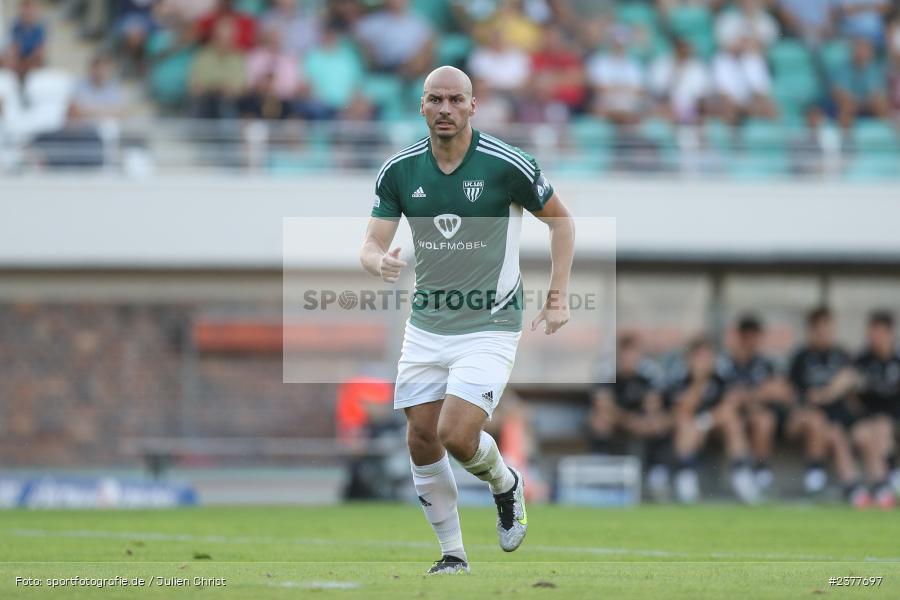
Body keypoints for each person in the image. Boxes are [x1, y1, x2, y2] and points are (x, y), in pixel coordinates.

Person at [359, 66, 574, 574]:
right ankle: (453, 554)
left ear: (473, 106)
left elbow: (561, 222)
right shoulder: (400, 170)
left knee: (457, 433)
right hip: (427, 325)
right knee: (420, 437)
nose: (445, 109)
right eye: (435, 100)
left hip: (490, 324)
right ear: (422, 106)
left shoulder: (506, 164)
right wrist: (379, 261)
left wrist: (559, 296)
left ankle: (506, 484)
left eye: (455, 100)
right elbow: (370, 243)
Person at [789, 306, 868, 506]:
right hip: (806, 417)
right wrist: (810, 400)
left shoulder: (842, 355)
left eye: (827, 328)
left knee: (837, 433)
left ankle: (852, 487)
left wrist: (828, 393)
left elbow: (852, 385)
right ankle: (815, 477)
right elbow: (793, 393)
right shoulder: (801, 357)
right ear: (811, 330)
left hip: (836, 418)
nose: (824, 333)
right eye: (819, 329)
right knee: (818, 422)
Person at [668, 337, 759, 504]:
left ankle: (742, 477)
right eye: (700, 357)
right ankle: (686, 481)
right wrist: (698, 382)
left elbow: (731, 404)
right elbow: (682, 409)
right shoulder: (681, 377)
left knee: (733, 421)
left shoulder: (721, 375)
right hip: (689, 430)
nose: (705, 362)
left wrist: (703, 424)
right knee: (683, 423)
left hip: (713, 426)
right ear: (690, 359)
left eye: (708, 357)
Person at [717, 315, 795, 494]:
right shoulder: (725, 363)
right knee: (731, 417)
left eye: (757, 337)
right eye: (751, 337)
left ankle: (761, 472)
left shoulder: (765, 363)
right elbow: (729, 398)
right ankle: (741, 471)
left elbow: (782, 392)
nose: (755, 342)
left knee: (764, 419)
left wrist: (750, 396)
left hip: (756, 415)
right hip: (725, 419)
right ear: (741, 337)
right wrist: (758, 394)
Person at [589, 334, 672, 500]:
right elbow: (603, 404)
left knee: (659, 423)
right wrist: (628, 420)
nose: (629, 359)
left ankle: (657, 473)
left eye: (633, 354)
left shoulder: (650, 372)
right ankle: (601, 470)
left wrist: (642, 421)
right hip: (618, 420)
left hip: (641, 421)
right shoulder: (606, 371)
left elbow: (653, 405)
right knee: (599, 420)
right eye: (625, 354)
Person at [851, 311, 899, 508]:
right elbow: (848, 389)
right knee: (862, 434)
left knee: (883, 427)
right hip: (869, 420)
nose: (873, 336)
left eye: (878, 331)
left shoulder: (897, 359)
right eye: (871, 331)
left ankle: (888, 479)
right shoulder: (862, 360)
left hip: (894, 420)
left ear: (889, 333)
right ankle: (884, 486)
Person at [831, 37, 892, 130]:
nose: (860, 52)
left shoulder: (875, 70)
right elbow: (839, 92)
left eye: (864, 49)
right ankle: (845, 138)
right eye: (858, 48)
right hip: (849, 103)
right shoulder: (842, 69)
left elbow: (877, 93)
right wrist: (854, 101)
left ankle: (887, 136)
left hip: (868, 103)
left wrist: (867, 101)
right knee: (846, 106)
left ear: (870, 52)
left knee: (882, 105)